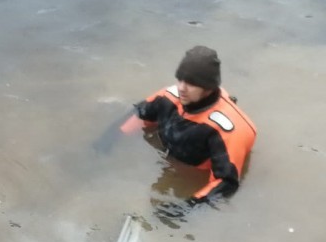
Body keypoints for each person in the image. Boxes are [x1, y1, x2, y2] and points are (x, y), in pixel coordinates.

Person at [94, 46, 257, 211]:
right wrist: (107, 140)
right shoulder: (169, 97)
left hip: (194, 168)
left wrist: (185, 208)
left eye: (191, 83)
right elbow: (139, 116)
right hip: (167, 151)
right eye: (180, 79)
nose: (181, 88)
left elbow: (225, 183)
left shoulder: (228, 131)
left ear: (208, 88)